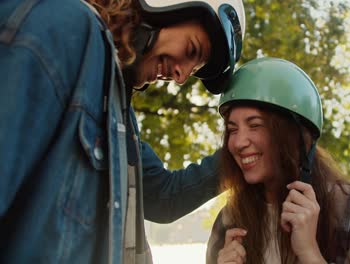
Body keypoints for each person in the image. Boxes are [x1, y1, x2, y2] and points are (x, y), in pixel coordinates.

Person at [0, 0, 244, 263]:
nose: (181, 76)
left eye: (193, 71)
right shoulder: (64, 27)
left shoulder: (118, 114)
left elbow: (164, 197)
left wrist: (241, 148)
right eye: (191, 50)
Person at [206, 57, 350, 264]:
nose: (238, 142)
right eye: (232, 130)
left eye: (255, 125)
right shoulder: (229, 219)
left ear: (295, 136)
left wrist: (310, 252)